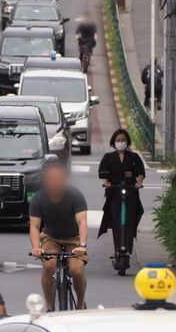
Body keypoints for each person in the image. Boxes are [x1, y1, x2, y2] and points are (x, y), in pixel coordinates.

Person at [29, 159, 89, 310]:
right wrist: (36, 247)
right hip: (51, 236)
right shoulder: (38, 198)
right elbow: (35, 226)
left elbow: (82, 222)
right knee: (49, 265)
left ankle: (81, 303)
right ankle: (49, 307)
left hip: (74, 238)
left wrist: (82, 245)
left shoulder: (75, 195)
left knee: (76, 270)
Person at [97, 129, 145, 258]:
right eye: (118, 140)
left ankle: (128, 249)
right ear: (113, 142)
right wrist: (107, 182)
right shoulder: (108, 157)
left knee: (129, 220)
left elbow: (140, 172)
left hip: (131, 192)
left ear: (127, 142)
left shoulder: (134, 157)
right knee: (117, 221)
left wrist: (138, 183)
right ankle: (118, 248)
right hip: (114, 192)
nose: (120, 142)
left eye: (123, 140)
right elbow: (103, 173)